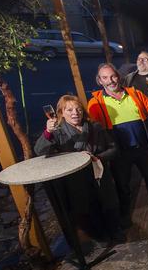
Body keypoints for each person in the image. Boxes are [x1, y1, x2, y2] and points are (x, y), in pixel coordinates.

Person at [88, 63, 148, 229]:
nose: (111, 80)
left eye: (113, 76)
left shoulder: (134, 93)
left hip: (142, 145)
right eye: (105, 78)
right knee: (123, 185)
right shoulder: (96, 102)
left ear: (118, 77)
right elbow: (94, 129)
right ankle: (125, 215)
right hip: (119, 151)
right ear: (99, 81)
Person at [34, 95, 124, 244]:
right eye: (69, 110)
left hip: (100, 174)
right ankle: (100, 236)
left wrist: (98, 158)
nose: (75, 112)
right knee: (88, 209)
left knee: (109, 203)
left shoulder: (95, 127)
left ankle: (116, 230)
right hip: (77, 180)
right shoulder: (57, 132)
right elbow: (40, 151)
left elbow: (114, 149)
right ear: (60, 113)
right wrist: (47, 132)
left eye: (78, 109)